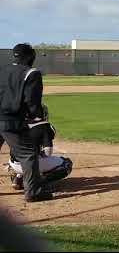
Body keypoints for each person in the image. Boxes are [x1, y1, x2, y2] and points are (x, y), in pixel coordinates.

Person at [0, 43, 52, 202]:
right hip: (11, 120)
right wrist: (36, 116)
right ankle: (33, 192)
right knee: (28, 154)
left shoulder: (3, 70)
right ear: (30, 57)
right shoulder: (32, 73)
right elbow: (32, 101)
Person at [6, 103, 73, 190]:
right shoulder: (44, 125)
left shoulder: (17, 124)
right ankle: (40, 183)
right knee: (66, 164)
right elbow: (48, 152)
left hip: (13, 163)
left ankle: (18, 178)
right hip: (30, 163)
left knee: (24, 154)